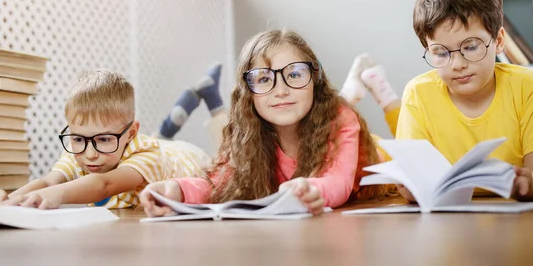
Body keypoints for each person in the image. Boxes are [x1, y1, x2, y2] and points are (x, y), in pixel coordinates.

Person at [139, 29, 389, 217]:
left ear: (315, 80)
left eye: (294, 74)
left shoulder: (340, 118)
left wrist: (311, 189)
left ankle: (362, 86)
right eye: (263, 79)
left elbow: (338, 181)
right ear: (248, 92)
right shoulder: (248, 131)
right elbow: (219, 182)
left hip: (379, 162)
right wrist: (176, 191)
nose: (280, 90)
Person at [0, 68, 223, 209]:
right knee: (150, 140)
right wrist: (8, 199)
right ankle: (172, 120)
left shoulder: (146, 152)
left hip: (187, 158)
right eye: (79, 139)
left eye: (103, 139)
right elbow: (49, 182)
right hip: (138, 147)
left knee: (225, 153)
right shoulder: (80, 150)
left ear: (131, 133)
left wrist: (57, 196)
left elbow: (105, 184)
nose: (90, 154)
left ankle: (212, 102)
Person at [396, 0, 533, 201]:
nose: (458, 65)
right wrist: (411, 186)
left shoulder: (528, 88)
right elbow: (412, 179)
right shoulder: (418, 94)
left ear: (499, 41)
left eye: (471, 47)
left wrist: (527, 183)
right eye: (441, 53)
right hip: (445, 219)